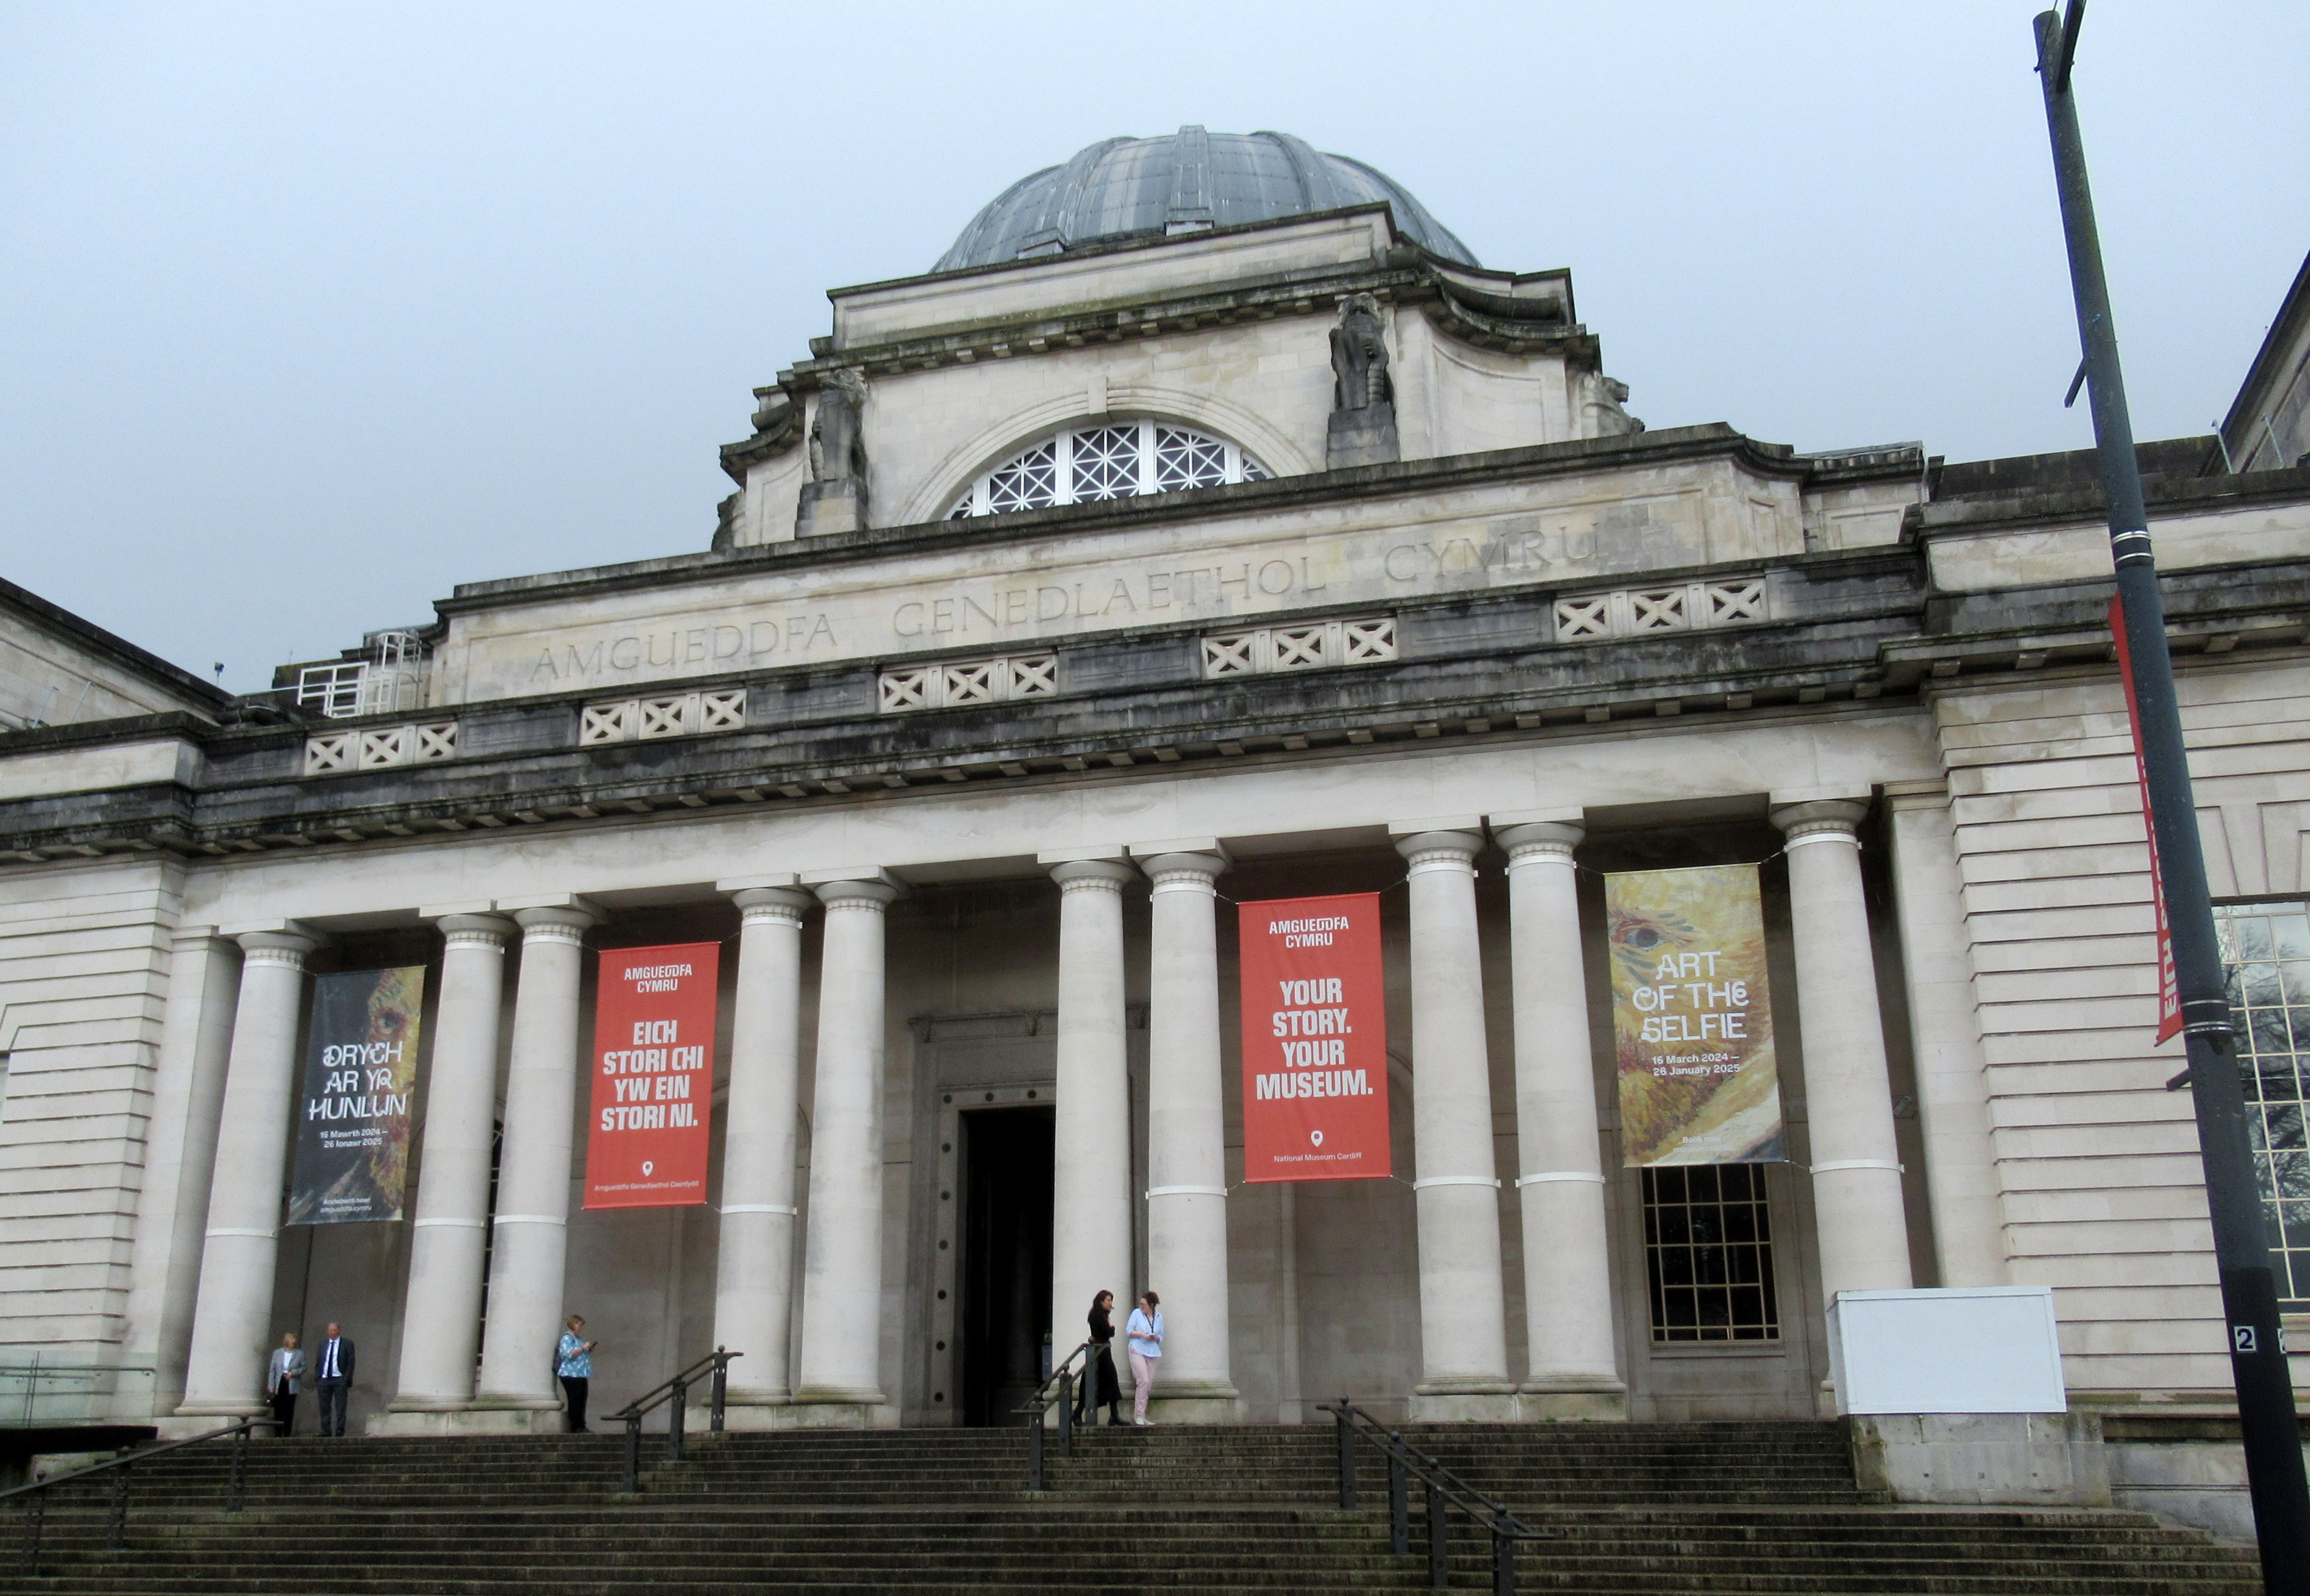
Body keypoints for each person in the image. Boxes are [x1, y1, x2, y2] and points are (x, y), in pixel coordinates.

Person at [1076, 1291, 1122, 1427]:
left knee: (1110, 1382)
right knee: (1093, 1383)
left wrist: (1110, 1330)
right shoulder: (1096, 1315)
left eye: (1111, 1301)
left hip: (1104, 1353)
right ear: (1101, 1301)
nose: (1110, 1303)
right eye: (1108, 1300)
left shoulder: (1102, 1315)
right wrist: (1111, 1329)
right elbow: (1108, 1332)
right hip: (1100, 1354)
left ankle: (1114, 1415)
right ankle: (1077, 1413)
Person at [1125, 1291, 1163, 1427]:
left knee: (1148, 1385)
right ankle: (1139, 1416)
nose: (1142, 1307)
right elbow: (1129, 1331)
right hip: (1138, 1349)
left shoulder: (1159, 1317)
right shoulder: (1137, 1314)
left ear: (1151, 1305)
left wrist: (1155, 1337)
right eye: (1141, 1304)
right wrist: (1142, 1335)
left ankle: (1143, 1414)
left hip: (1152, 1351)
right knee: (1143, 1381)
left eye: (1144, 1305)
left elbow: (1161, 1336)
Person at [556, 1314, 597, 1433]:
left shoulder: (578, 1339)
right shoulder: (567, 1338)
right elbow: (569, 1354)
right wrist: (583, 1348)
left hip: (581, 1374)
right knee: (575, 1400)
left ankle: (582, 1424)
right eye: (579, 1325)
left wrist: (588, 1350)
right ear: (573, 1324)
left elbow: (580, 1354)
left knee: (582, 1400)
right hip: (570, 1374)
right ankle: (576, 1426)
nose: (580, 1328)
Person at [313, 1322, 355, 1437]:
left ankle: (340, 1430)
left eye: (334, 1330)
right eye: (330, 1330)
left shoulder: (347, 1344)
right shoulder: (323, 1344)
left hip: (339, 1378)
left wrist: (347, 1378)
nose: (332, 1333)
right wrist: (318, 1377)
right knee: (324, 1406)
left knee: (341, 1406)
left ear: (339, 1331)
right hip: (324, 1379)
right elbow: (319, 1361)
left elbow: (351, 1362)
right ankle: (326, 1430)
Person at [264, 1331, 304, 1437]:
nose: (294, 1341)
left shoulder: (300, 1353)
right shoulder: (277, 1353)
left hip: (292, 1382)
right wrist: (271, 1386)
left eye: (295, 1340)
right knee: (279, 1408)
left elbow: (303, 1367)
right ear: (287, 1341)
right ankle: (277, 1433)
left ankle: (287, 1433)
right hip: (280, 1382)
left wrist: (293, 1373)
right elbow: (273, 1370)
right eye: (292, 1339)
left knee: (289, 1408)